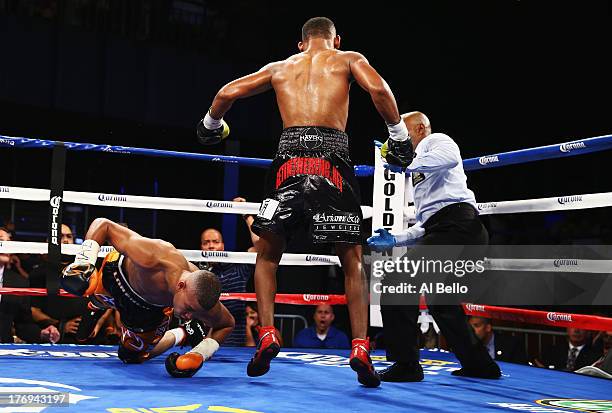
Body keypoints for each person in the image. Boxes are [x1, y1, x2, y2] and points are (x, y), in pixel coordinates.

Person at [197, 16, 411, 387]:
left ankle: (266, 333)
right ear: (336, 40)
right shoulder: (347, 59)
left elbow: (226, 94)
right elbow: (379, 90)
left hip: (288, 162)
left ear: (301, 44)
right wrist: (400, 136)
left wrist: (211, 127)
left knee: (266, 254)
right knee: (352, 259)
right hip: (333, 162)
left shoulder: (281, 67)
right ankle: (360, 346)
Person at [368, 111, 501, 381]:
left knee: (397, 280)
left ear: (419, 129)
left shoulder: (438, 140)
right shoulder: (418, 171)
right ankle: (480, 365)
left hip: (460, 228)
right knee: (441, 301)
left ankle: (406, 364)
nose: (399, 139)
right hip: (450, 231)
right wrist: (396, 239)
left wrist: (406, 164)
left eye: (403, 133)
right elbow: (427, 225)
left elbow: (450, 158)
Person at [60, 217, 235, 378]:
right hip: (117, 276)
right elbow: (103, 225)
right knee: (85, 286)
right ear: (181, 286)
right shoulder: (156, 256)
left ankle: (182, 334)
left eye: (193, 312)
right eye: (189, 309)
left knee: (130, 357)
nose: (188, 316)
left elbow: (226, 324)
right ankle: (96, 304)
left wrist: (199, 353)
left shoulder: (199, 295)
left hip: (147, 310)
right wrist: (84, 261)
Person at [199, 197, 258, 346]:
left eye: (215, 242)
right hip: (203, 343)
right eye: (206, 243)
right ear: (201, 248)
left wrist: (247, 215)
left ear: (223, 246)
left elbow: (260, 248)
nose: (211, 246)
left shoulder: (237, 269)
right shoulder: (197, 273)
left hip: (235, 344)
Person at [29, 224, 91, 344]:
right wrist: (61, 325)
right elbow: (33, 310)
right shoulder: (39, 273)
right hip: (56, 336)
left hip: (88, 336)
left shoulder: (86, 269)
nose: (66, 240)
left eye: (69, 236)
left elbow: (103, 300)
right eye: (60, 237)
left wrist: (94, 323)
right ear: (50, 241)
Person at [0, 227, 60, 343]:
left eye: (9, 242)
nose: (6, 246)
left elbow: (23, 324)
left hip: (3, 351)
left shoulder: (18, 283)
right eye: (1, 241)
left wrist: (42, 334)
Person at [536, 327, 601, 371]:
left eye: (581, 327)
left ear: (588, 332)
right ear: (567, 329)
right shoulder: (553, 350)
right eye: (573, 326)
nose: (576, 330)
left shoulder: (595, 355)